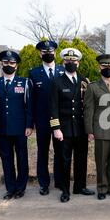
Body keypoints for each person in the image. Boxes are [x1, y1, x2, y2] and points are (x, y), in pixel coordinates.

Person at [50, 48, 95, 203]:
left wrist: (89, 129)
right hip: (64, 129)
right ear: (63, 62)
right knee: (64, 160)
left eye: (74, 61)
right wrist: (56, 128)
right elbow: (53, 107)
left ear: (78, 62)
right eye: (68, 61)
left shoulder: (84, 81)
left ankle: (80, 186)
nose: (71, 63)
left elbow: (88, 106)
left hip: (81, 128)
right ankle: (65, 190)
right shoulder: (57, 82)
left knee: (81, 158)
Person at [0, 50, 33, 200]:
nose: (9, 65)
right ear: (1, 64)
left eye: (12, 63)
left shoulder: (25, 82)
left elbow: (29, 105)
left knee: (22, 158)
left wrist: (29, 125)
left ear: (16, 65)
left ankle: (21, 188)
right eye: (6, 62)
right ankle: (10, 188)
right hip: (2, 129)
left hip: (20, 129)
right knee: (6, 159)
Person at [84, 54, 110, 200]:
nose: (108, 68)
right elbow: (88, 110)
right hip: (100, 129)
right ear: (99, 67)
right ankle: (101, 188)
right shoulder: (93, 87)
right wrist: (89, 130)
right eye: (104, 66)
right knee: (101, 161)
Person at [29, 40, 65, 196]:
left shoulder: (63, 71)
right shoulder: (34, 73)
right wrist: (31, 123)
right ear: (40, 54)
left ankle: (59, 180)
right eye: (44, 52)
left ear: (55, 53)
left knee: (60, 151)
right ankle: (43, 183)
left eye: (50, 51)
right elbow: (31, 100)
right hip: (42, 120)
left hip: (60, 120)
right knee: (42, 152)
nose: (48, 54)